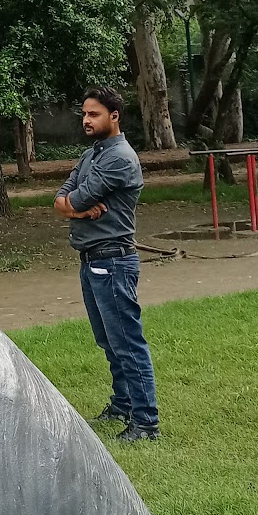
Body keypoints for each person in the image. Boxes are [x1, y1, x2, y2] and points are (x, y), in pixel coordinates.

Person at [54, 86, 158, 442]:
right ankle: (122, 404)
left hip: (113, 261)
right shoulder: (91, 155)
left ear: (114, 116)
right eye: (84, 113)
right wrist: (76, 207)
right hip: (92, 261)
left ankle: (145, 423)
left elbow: (76, 197)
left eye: (94, 114)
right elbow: (60, 200)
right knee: (109, 342)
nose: (86, 119)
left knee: (128, 344)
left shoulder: (119, 158)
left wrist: (75, 205)